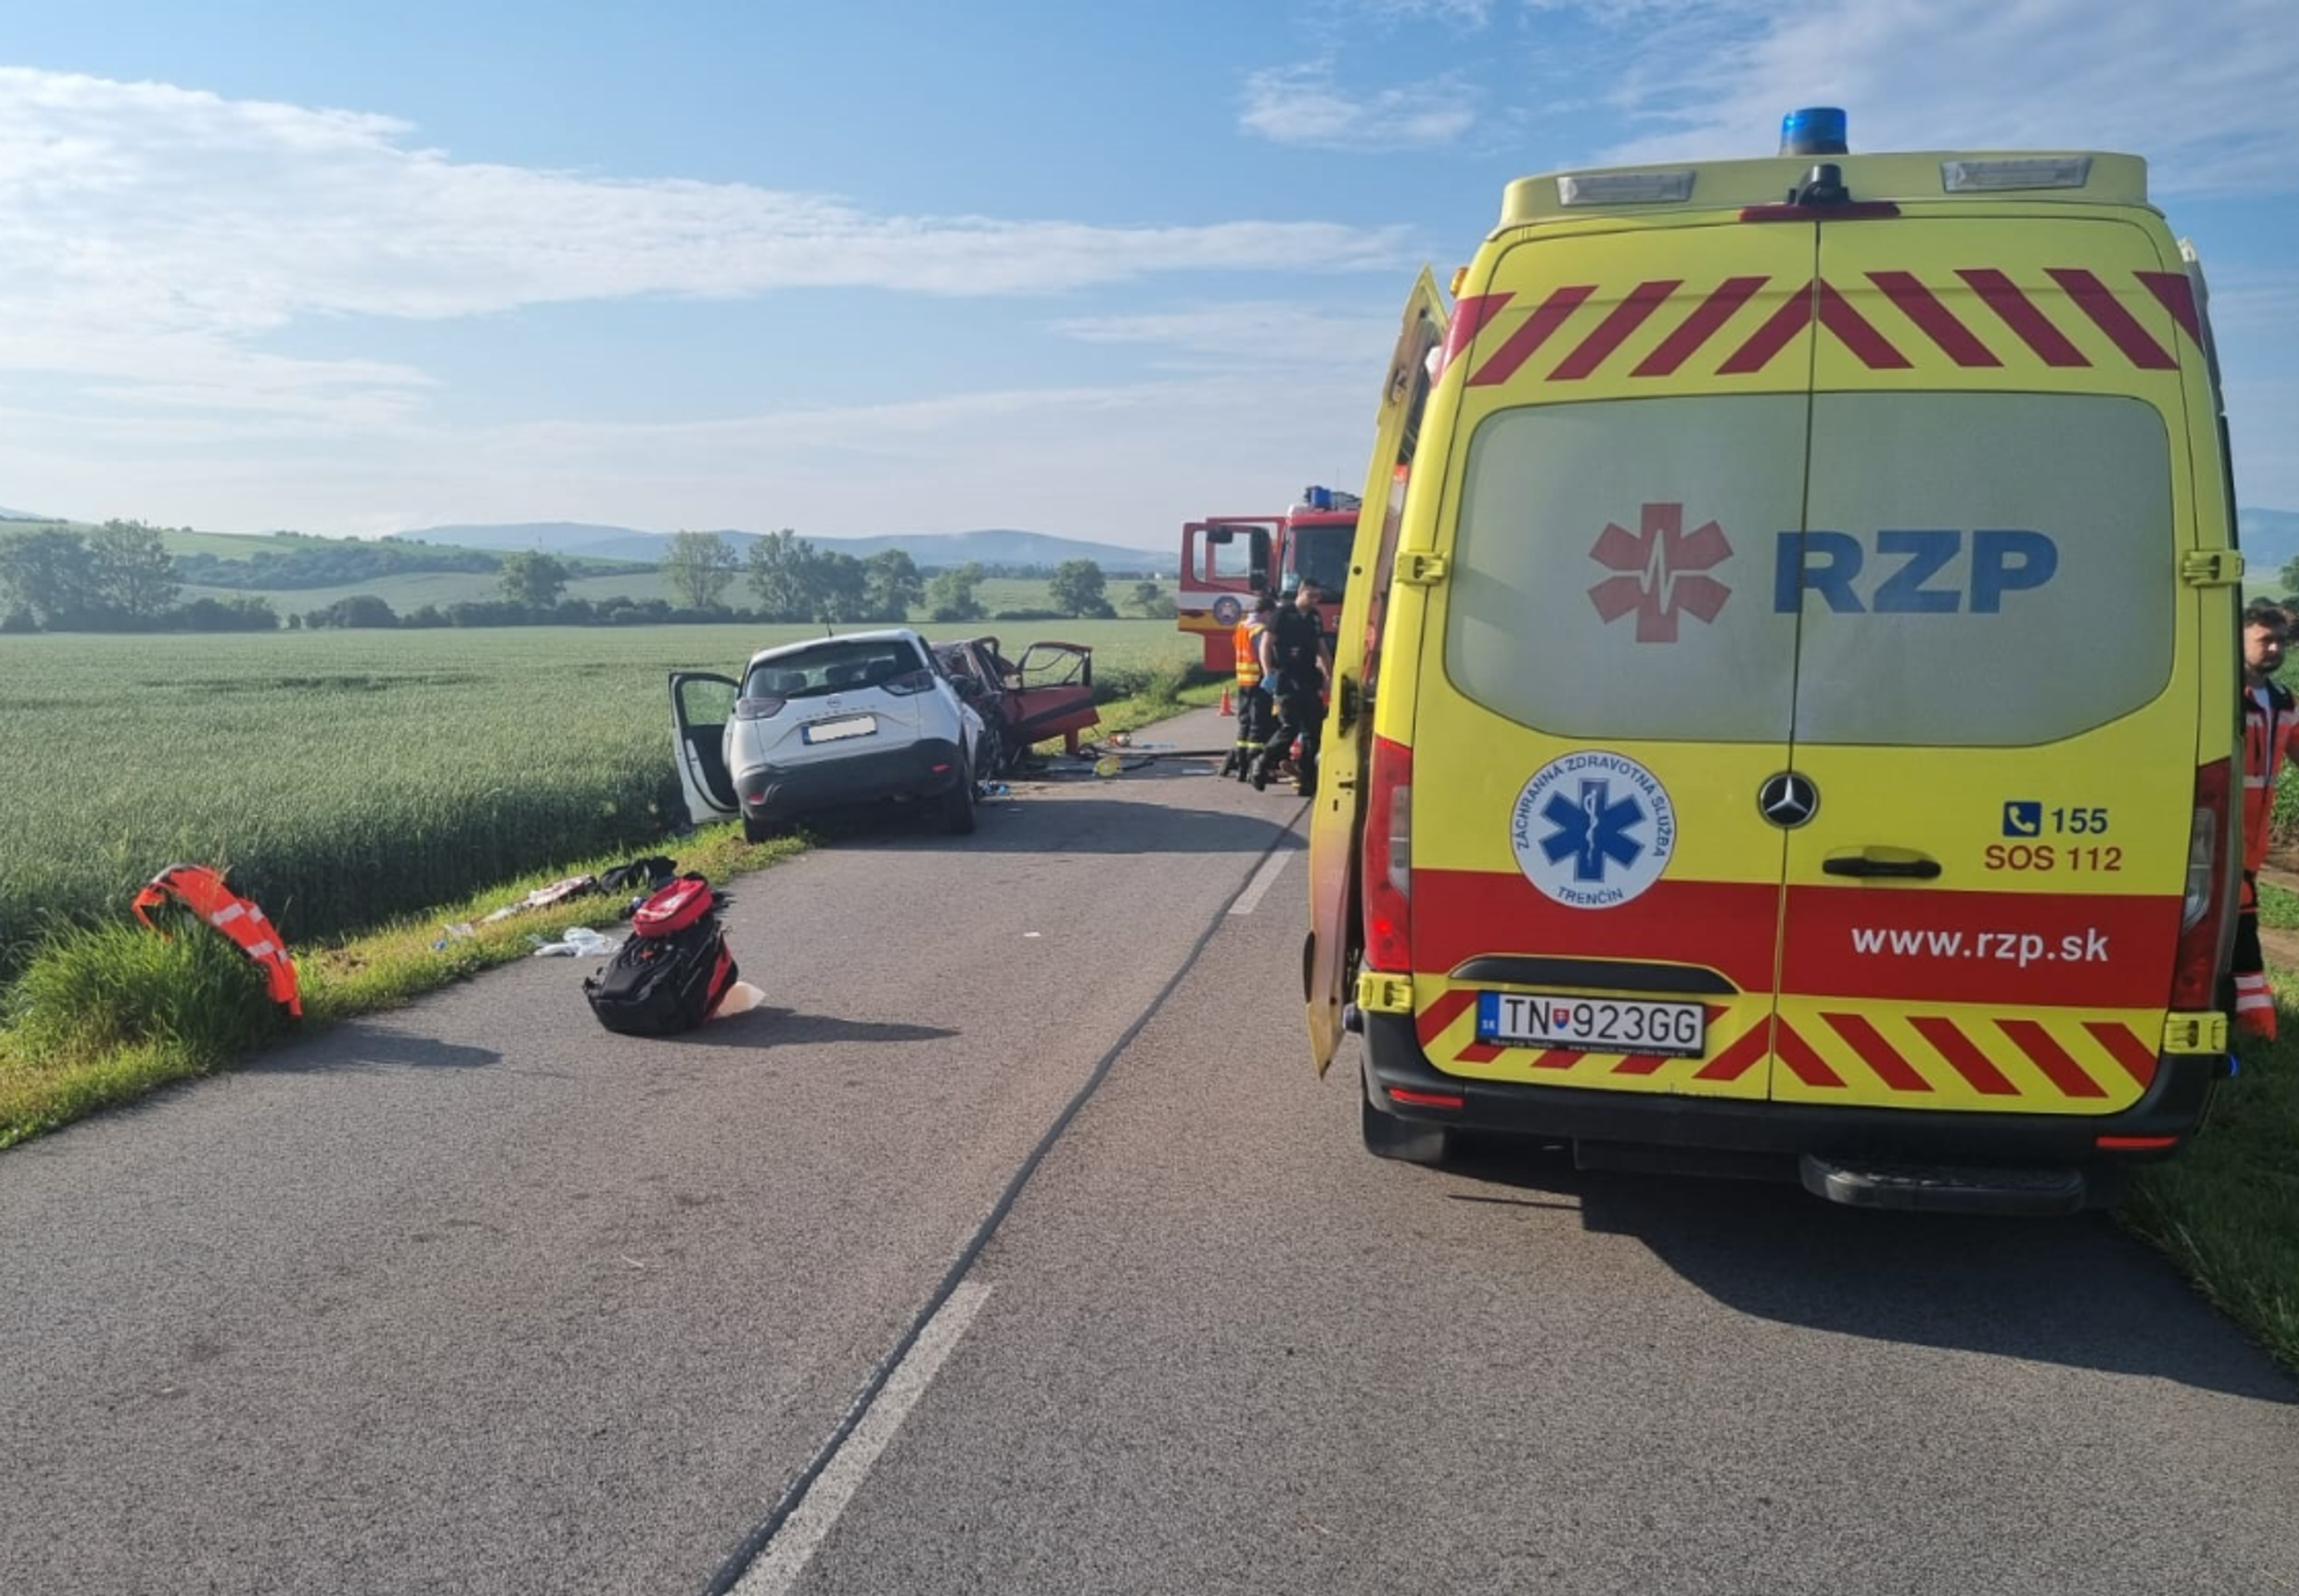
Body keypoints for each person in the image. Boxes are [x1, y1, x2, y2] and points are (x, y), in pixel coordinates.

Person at [2235, 598, 2298, 1039]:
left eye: (2280, 641)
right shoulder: (2221, 696)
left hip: (2252, 846)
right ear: (2239, 638)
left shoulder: (2285, 702)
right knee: (2238, 929)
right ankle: (2255, 1025)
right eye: (2264, 639)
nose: (2274, 648)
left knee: (2240, 925)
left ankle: (2249, 1022)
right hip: (2216, 837)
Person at [1253, 579, 1331, 796]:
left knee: (1313, 732)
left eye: (1318, 597)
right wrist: (1268, 673)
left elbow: (1322, 649)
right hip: (1287, 678)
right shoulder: (1282, 614)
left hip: (1309, 678)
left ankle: (1307, 780)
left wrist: (1328, 676)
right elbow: (1266, 644)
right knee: (1290, 726)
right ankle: (1263, 760)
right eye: (1311, 596)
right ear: (1300, 592)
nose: (1314, 600)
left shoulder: (1314, 617)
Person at [1221, 590, 1277, 781]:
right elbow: (1265, 654)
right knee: (1258, 725)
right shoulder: (1259, 630)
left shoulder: (1241, 627)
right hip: (1258, 682)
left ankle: (1242, 769)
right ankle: (1257, 769)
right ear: (1267, 612)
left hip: (1243, 681)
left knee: (1244, 724)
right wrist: (1272, 674)